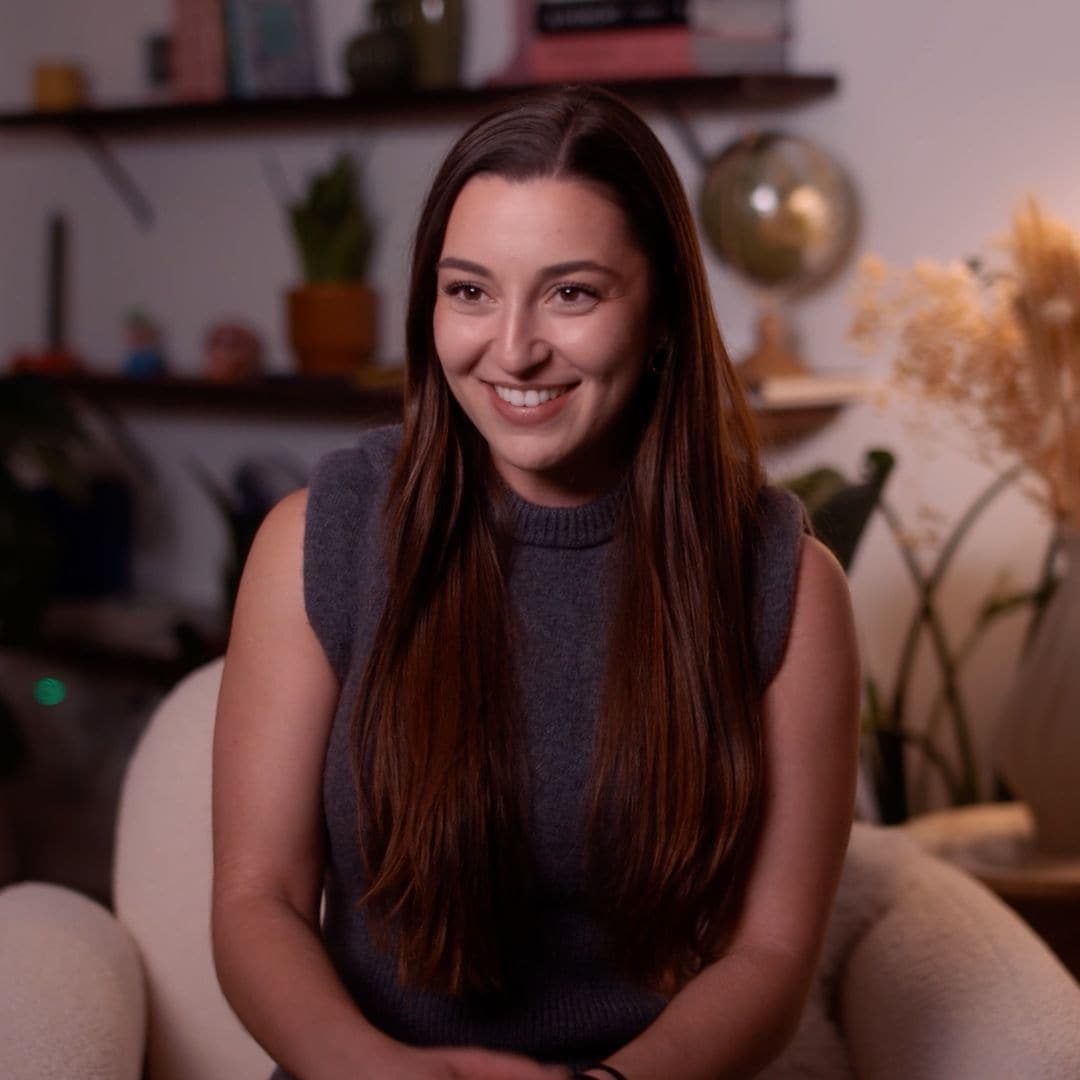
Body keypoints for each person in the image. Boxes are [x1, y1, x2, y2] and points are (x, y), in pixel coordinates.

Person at [211, 85, 860, 1080]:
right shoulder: (321, 537)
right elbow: (260, 897)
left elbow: (770, 954)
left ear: (664, 319)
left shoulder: (786, 585)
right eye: (469, 291)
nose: (511, 350)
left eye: (573, 293)